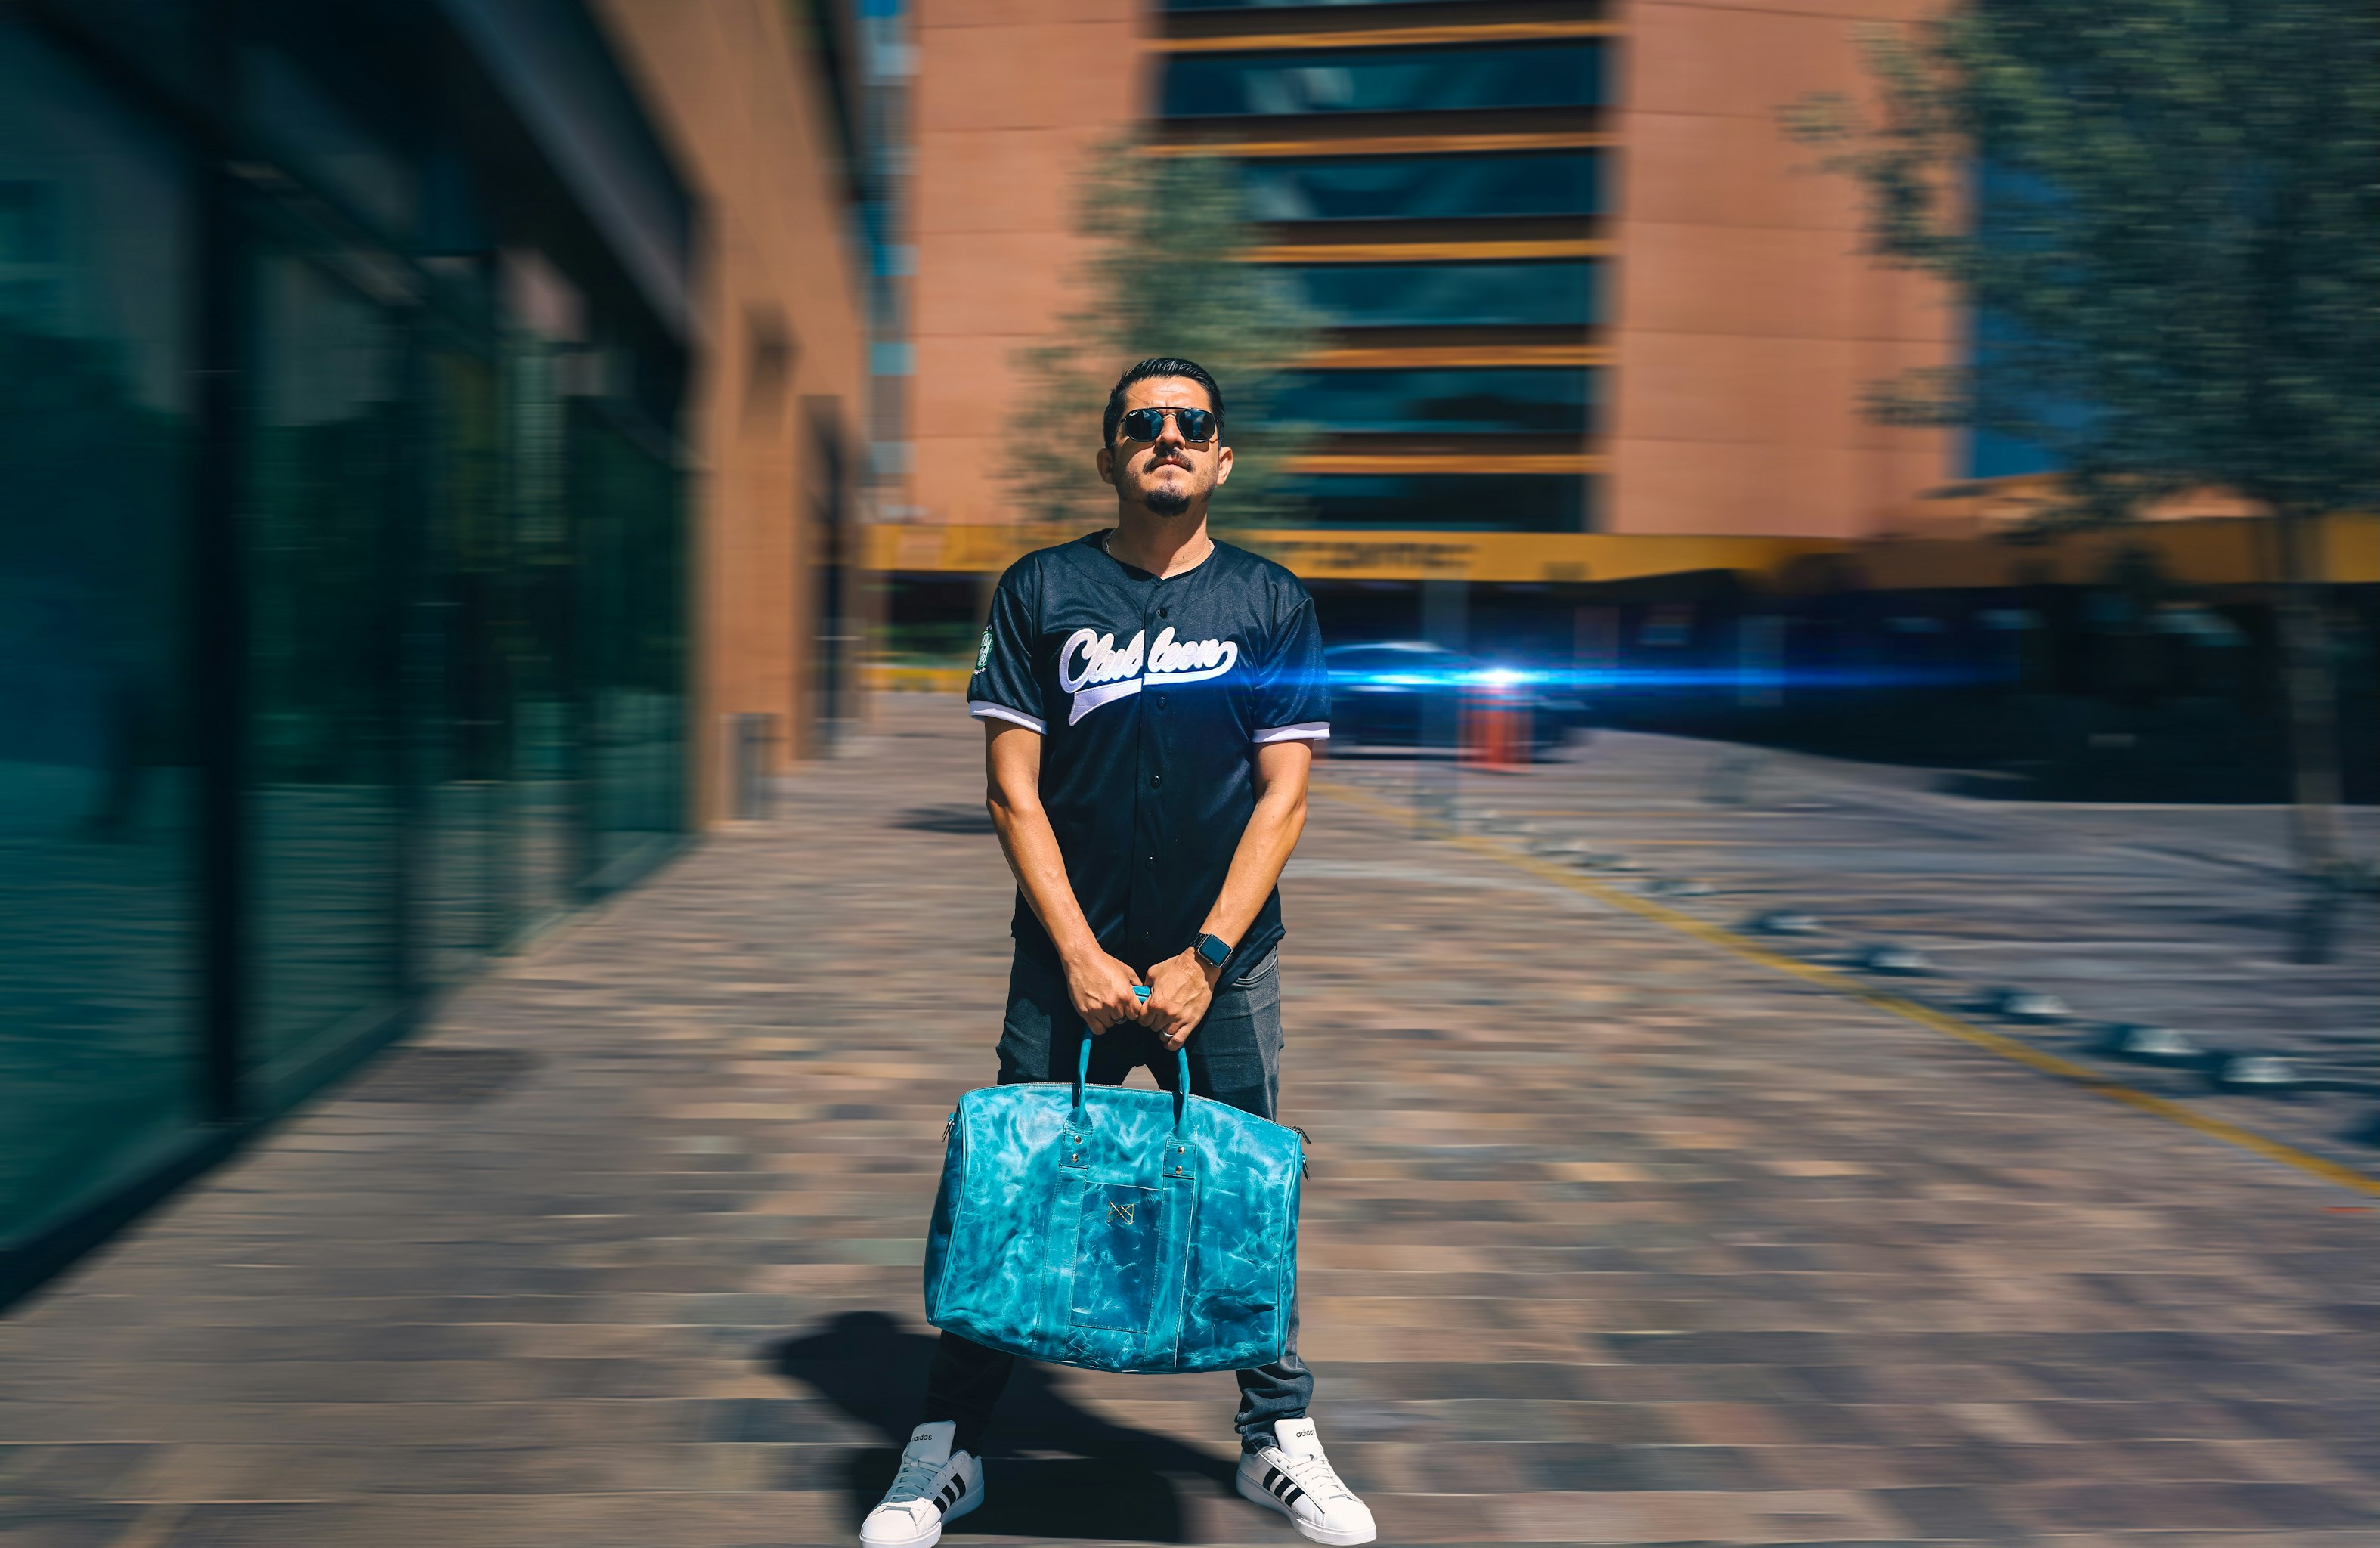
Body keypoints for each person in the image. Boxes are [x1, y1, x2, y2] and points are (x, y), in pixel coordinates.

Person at [860, 358, 1376, 1548]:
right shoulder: (1045, 587)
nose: (1167, 437)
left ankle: (1273, 1443)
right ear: (1108, 456)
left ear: (1221, 457)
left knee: (1250, 1190)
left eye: (1191, 424)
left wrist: (1203, 954)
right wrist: (1085, 955)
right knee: (1014, 1189)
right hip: (1065, 964)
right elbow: (1009, 792)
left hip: (1224, 970)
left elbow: (1283, 800)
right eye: (1141, 423)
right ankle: (950, 1449)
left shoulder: (1270, 603)